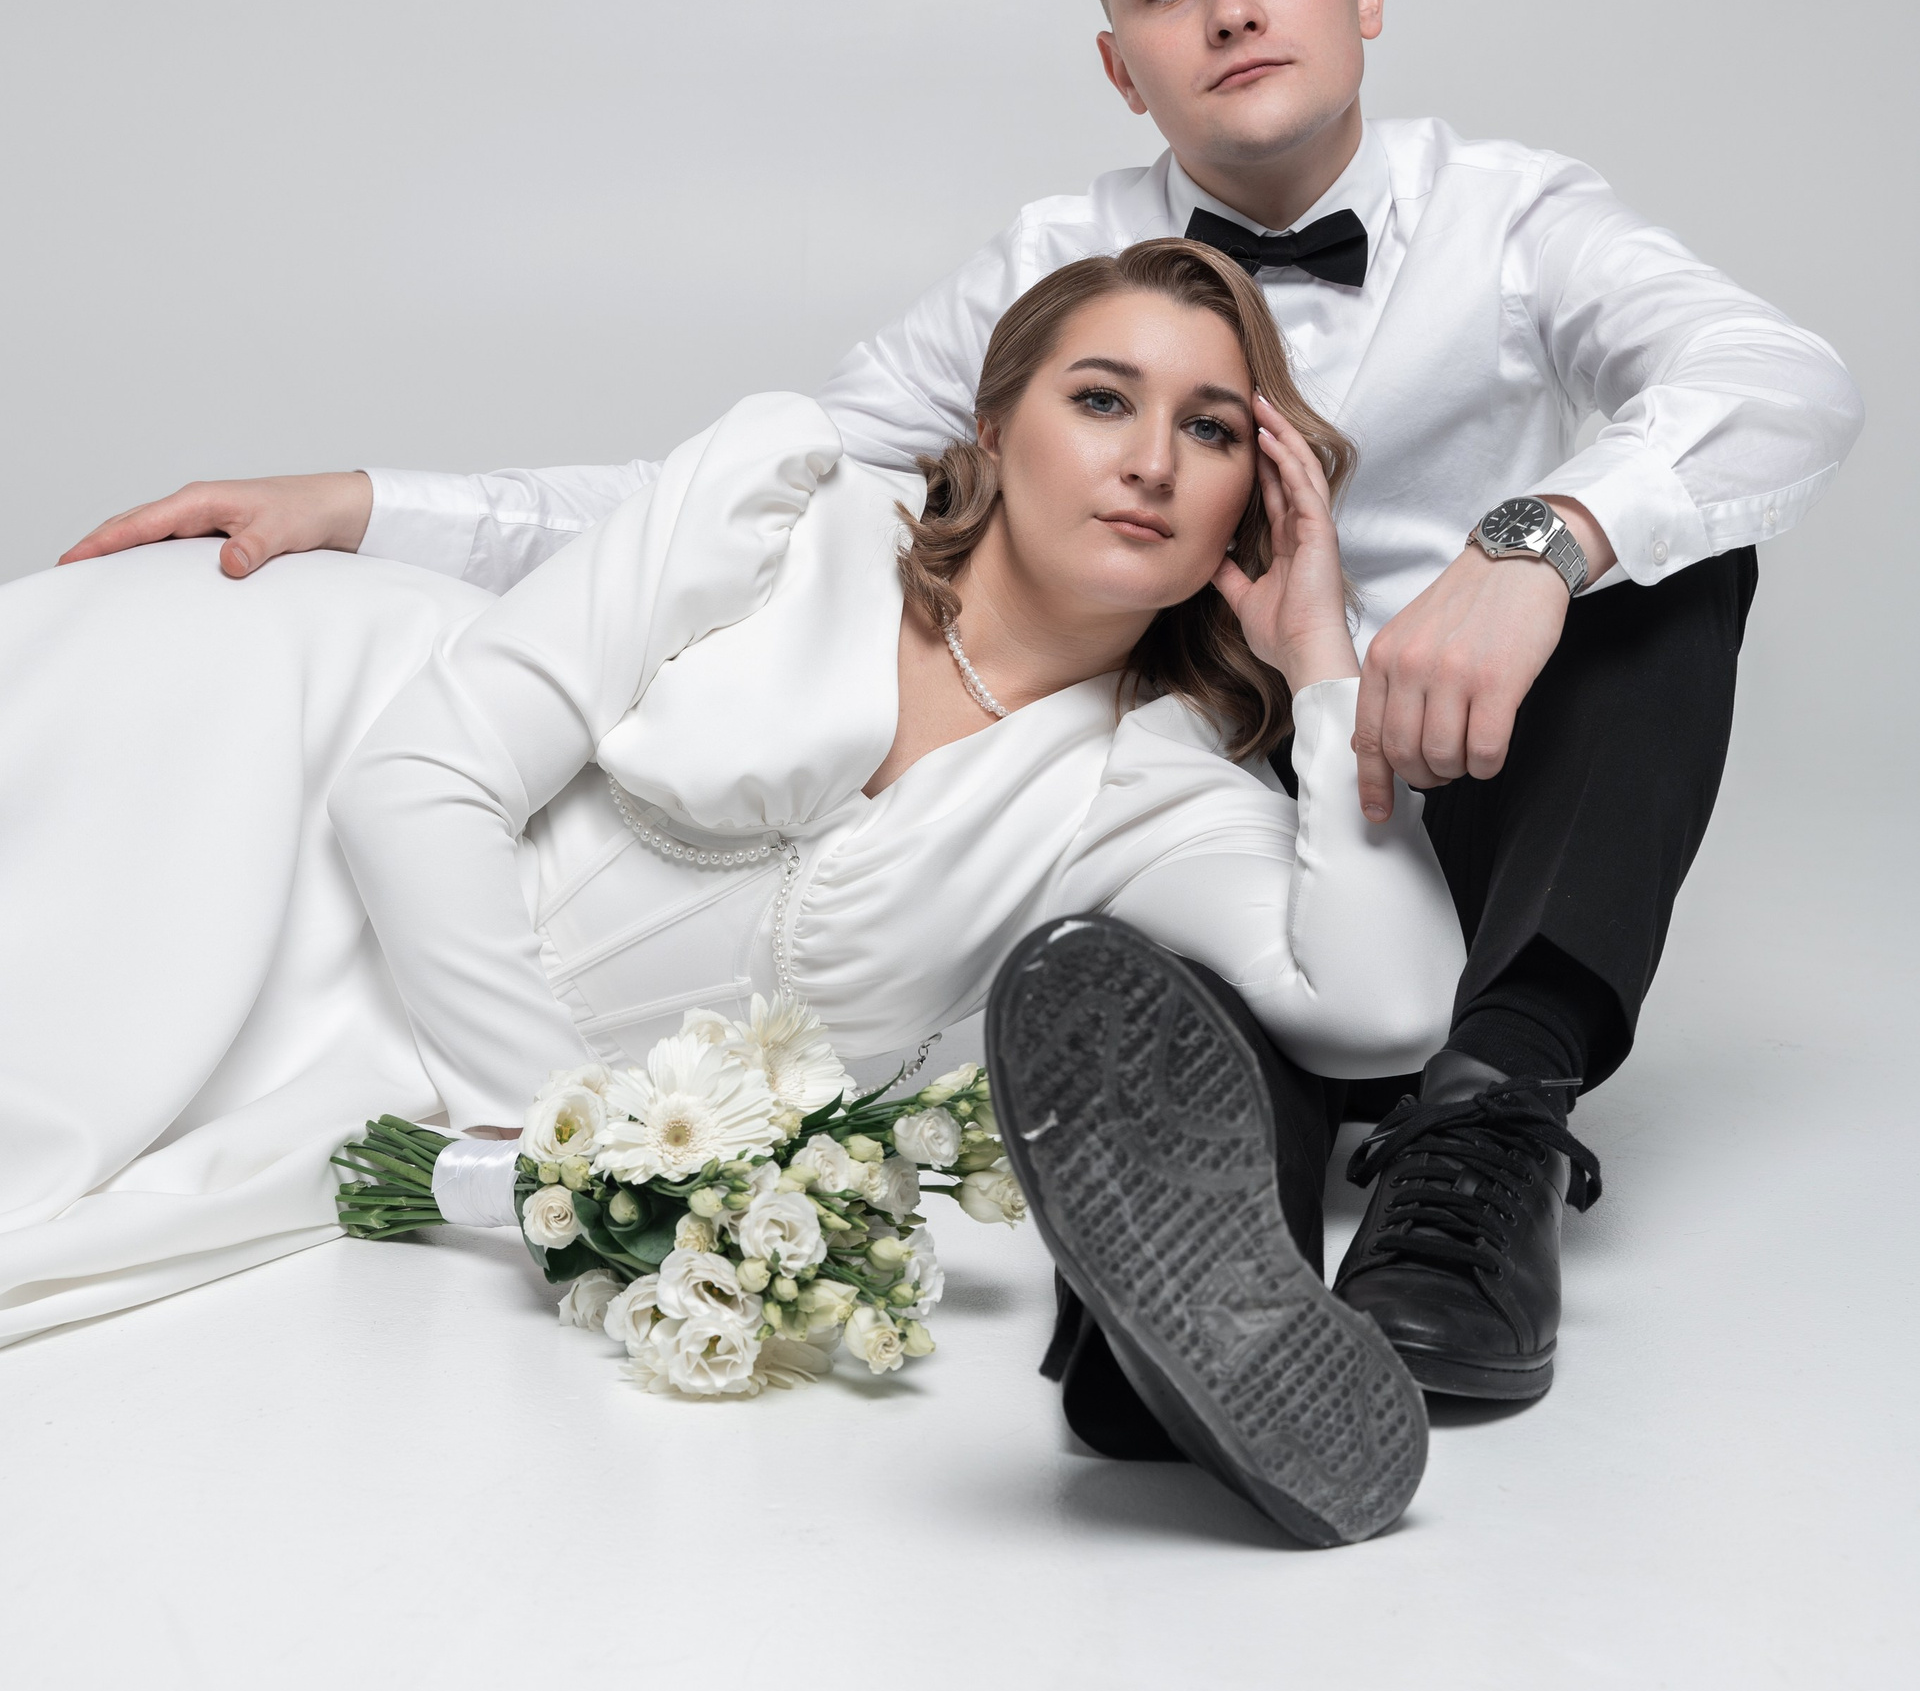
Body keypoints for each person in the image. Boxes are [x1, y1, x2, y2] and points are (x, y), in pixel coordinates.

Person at [63, 0, 1863, 1429]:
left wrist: (1532, 545)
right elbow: (765, 488)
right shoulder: (1051, 274)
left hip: (1436, 757)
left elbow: (1780, 379)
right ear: (1121, 64)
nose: (1231, 10)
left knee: (1681, 562)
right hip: (1186, 764)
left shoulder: (1513, 223)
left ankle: (1486, 1128)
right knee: (1152, 993)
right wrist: (372, 505)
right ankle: (1171, 1312)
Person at [5, 243, 1463, 1544]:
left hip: (395, 1066)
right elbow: (414, 780)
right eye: (1101, 400)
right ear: (994, 427)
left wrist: (1322, 658)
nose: (1150, 461)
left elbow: (1387, 1006)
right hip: (271, 756)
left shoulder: (1155, 785)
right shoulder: (792, 504)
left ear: (1254, 501)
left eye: (1210, 431)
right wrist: (564, 1148)